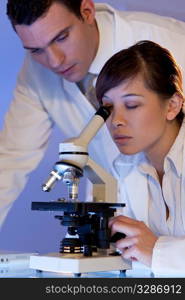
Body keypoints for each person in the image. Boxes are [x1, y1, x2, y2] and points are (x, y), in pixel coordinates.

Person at [1, 0, 185, 228]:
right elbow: (10, 161)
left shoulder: (175, 44)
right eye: (37, 50)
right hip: (123, 221)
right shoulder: (36, 73)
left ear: (87, 11)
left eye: (61, 38)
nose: (54, 61)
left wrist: (164, 251)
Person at [95, 40, 185, 276]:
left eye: (132, 105)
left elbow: (152, 254)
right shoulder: (126, 167)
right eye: (107, 107)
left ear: (172, 106)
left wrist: (157, 251)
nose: (116, 121)